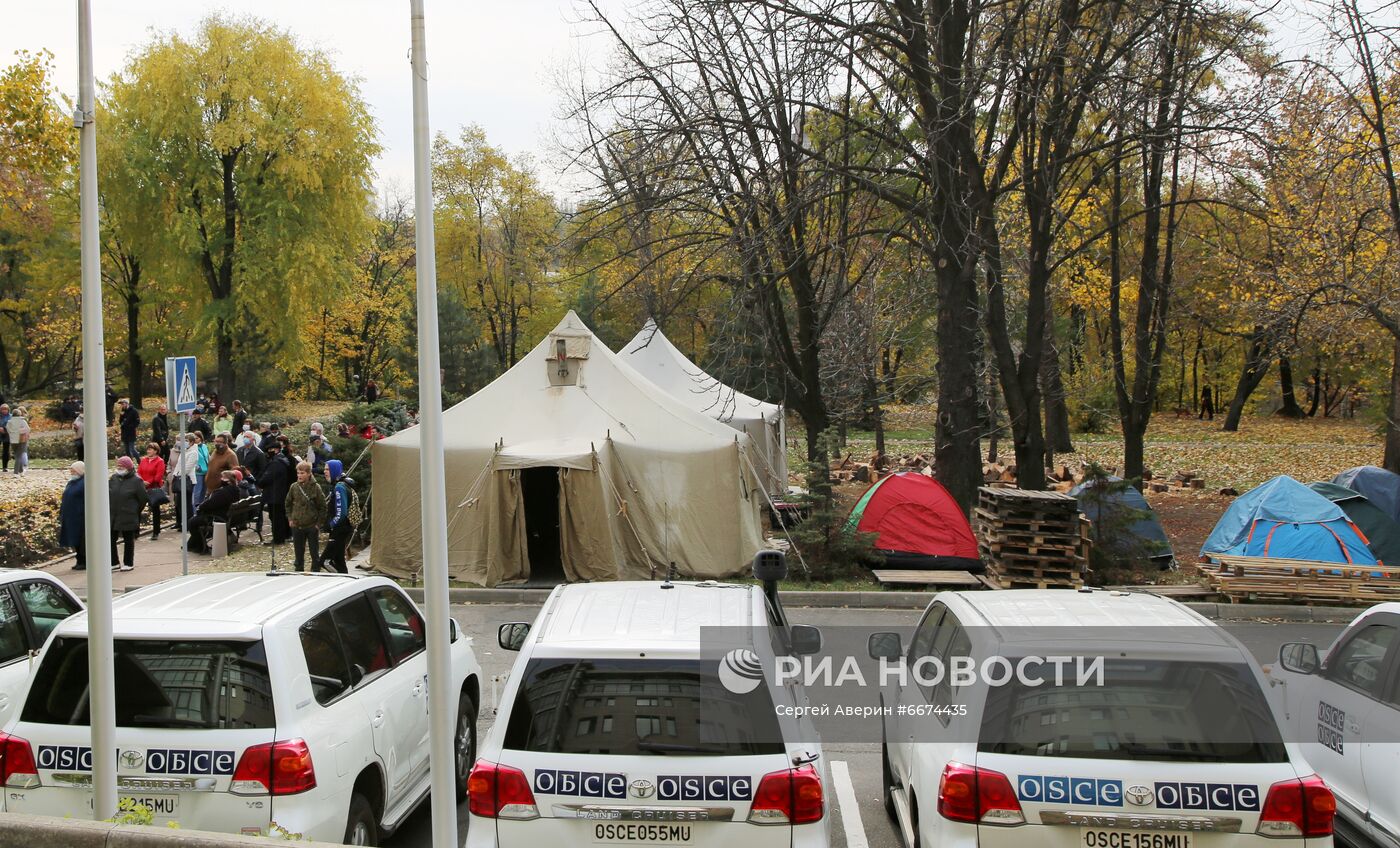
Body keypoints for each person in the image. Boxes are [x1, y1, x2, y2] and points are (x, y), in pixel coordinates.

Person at [186, 470, 240, 554]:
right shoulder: (235, 490)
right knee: (195, 520)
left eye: (223, 478)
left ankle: (198, 546)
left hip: (218, 518)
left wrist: (200, 507)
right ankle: (192, 544)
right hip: (228, 517)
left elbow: (210, 504)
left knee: (192, 522)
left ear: (229, 480)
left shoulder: (223, 492)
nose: (221, 479)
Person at [287, 461, 326, 572]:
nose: (299, 475)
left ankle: (315, 570)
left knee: (314, 551)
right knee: (298, 552)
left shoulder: (316, 488)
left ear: (309, 474)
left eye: (302, 473)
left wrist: (318, 524)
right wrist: (290, 518)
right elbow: (287, 503)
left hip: (311, 525)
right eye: (298, 473)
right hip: (297, 525)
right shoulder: (294, 487)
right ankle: (298, 570)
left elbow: (323, 507)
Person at [109, 456, 146, 571]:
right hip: (113, 514)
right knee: (110, 539)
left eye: (122, 466)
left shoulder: (137, 480)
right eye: (118, 466)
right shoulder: (114, 478)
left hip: (128, 514)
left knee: (128, 540)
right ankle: (114, 562)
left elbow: (143, 499)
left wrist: (134, 510)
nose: (119, 468)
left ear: (128, 468)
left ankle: (128, 563)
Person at [319, 459, 354, 573]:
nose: (325, 472)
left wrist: (331, 524)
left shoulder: (339, 487)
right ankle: (347, 583)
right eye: (324, 469)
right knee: (339, 561)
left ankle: (341, 581)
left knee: (325, 561)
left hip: (340, 529)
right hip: (341, 528)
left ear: (334, 470)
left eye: (328, 469)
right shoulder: (338, 485)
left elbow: (341, 513)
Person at [257, 442, 293, 545]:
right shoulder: (283, 460)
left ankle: (278, 538)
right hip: (280, 493)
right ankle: (284, 535)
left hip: (275, 494)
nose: (268, 452)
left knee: (276, 517)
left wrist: (260, 482)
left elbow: (266, 478)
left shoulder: (276, 463)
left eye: (270, 450)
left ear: (276, 449)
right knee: (280, 516)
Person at [58, 462, 86, 571]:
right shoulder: (72, 482)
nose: (72, 473)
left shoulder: (84, 483)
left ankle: (83, 560)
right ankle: (79, 559)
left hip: (79, 516)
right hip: (71, 516)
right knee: (74, 539)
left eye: (73, 471)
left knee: (81, 540)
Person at [137, 442, 167, 540]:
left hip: (153, 488)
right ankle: (135, 532)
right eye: (148, 449)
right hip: (142, 488)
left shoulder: (160, 461)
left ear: (156, 451)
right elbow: (139, 472)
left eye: (150, 449)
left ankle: (156, 531)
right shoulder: (143, 460)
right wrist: (142, 481)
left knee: (155, 510)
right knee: (137, 509)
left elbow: (158, 476)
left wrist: (148, 482)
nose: (148, 451)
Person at [204, 433, 238, 498]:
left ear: (225, 443)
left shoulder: (231, 455)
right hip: (209, 489)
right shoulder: (215, 451)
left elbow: (234, 472)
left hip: (220, 491)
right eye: (216, 441)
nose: (217, 444)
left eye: (220, 442)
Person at [6, 407, 30, 475]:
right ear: (19, 414)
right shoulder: (22, 421)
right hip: (21, 439)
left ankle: (21, 470)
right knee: (19, 456)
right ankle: (16, 472)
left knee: (17, 455)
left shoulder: (9, 422)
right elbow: (28, 429)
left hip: (13, 440)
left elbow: (8, 431)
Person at [0, 403, 9, 472]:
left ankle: (5, 467)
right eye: (2, 409)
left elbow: (12, 425)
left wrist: (5, 429)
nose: (4, 411)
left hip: (7, 435)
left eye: (5, 409)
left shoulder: (11, 416)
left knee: (6, 451)